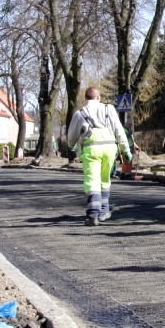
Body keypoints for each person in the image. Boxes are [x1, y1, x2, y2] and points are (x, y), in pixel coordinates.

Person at [67, 87, 132, 226]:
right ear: (98, 97)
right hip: (109, 148)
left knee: (92, 181)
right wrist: (125, 149)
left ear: (86, 98)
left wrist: (71, 145)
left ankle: (92, 215)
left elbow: (71, 136)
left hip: (92, 149)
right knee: (104, 179)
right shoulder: (109, 109)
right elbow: (119, 130)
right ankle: (104, 211)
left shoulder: (80, 113)